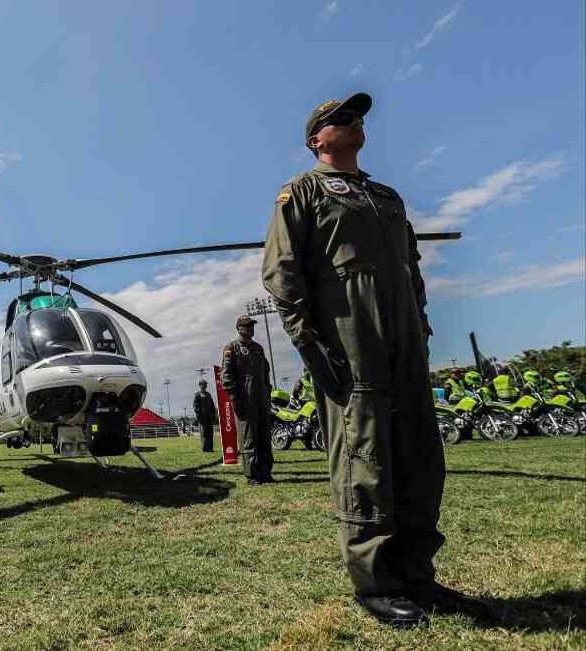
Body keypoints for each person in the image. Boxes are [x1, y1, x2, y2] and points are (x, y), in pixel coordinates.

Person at [261, 92, 474, 625]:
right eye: (340, 118)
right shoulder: (303, 192)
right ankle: (375, 583)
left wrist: (420, 327)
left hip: (404, 342)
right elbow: (282, 273)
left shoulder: (386, 196)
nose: (354, 122)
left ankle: (417, 575)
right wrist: (310, 345)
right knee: (366, 458)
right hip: (351, 342)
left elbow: (411, 268)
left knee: (420, 456)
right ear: (317, 139)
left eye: (357, 117)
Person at [220, 315, 272, 484]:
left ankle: (265, 472)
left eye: (251, 326)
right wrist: (234, 397)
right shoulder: (232, 348)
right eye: (246, 326)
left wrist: (268, 391)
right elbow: (226, 376)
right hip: (245, 399)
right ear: (239, 328)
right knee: (249, 436)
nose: (250, 329)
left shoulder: (258, 348)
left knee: (264, 435)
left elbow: (265, 371)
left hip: (262, 397)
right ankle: (252, 475)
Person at [192, 379, 218, 453]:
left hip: (209, 417)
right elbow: (195, 406)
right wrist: (199, 413)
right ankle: (205, 448)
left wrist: (214, 414)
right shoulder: (197, 394)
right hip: (202, 418)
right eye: (203, 384)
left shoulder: (208, 394)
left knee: (210, 433)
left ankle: (210, 448)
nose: (204, 386)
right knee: (204, 433)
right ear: (200, 385)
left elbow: (212, 405)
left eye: (205, 384)